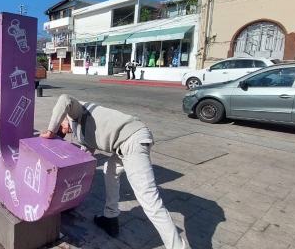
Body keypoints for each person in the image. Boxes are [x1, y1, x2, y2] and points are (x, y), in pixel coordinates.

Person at [40, 94, 186, 249]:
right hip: (125, 146)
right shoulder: (81, 133)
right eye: (64, 132)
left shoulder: (77, 111)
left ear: (62, 116)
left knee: (149, 200)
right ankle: (111, 218)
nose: (66, 129)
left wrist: (51, 131)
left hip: (133, 140)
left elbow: (64, 99)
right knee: (110, 169)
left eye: (62, 126)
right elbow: (86, 156)